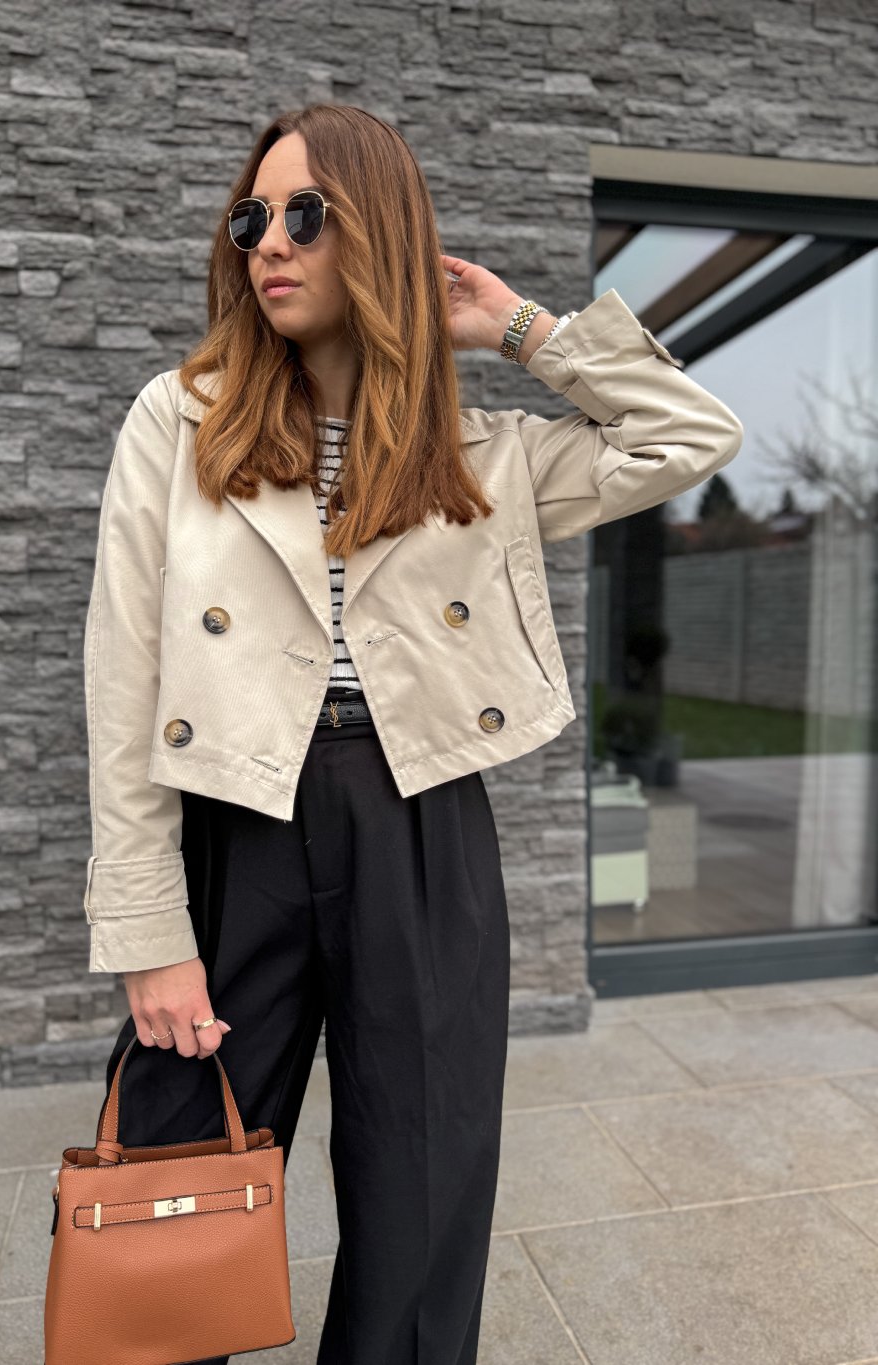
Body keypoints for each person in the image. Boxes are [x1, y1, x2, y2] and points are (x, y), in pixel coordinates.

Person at [83, 103, 743, 1365]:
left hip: (421, 817)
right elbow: (122, 685)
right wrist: (147, 933)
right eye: (251, 218)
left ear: (380, 232)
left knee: (423, 1179)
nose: (269, 243)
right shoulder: (180, 419)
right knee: (176, 1154)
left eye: (307, 214)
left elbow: (688, 434)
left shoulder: (479, 455)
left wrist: (522, 329)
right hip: (235, 814)